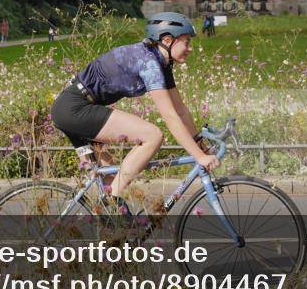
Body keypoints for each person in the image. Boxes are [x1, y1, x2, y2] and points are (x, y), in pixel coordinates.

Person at [49, 12, 220, 215]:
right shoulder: (149, 64)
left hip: (75, 107)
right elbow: (170, 117)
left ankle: (112, 236)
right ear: (167, 39)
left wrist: (201, 146)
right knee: (152, 136)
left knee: (112, 184)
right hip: (74, 108)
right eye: (186, 41)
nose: (190, 48)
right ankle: (112, 200)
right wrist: (199, 157)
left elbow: (180, 110)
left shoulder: (161, 62)